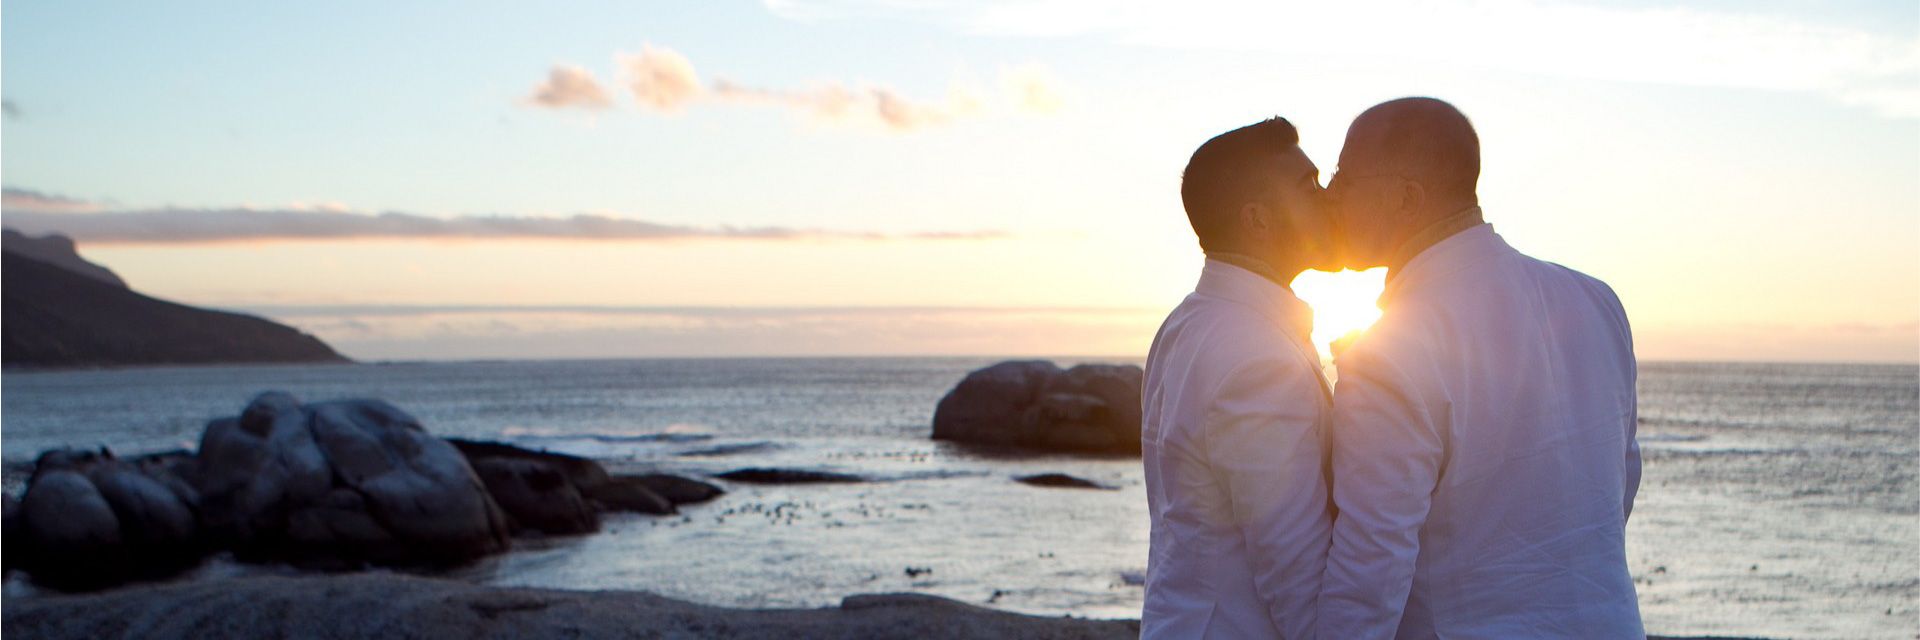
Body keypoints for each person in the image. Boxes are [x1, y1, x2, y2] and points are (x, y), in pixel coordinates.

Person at [1317, 97, 1645, 638]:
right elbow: (1617, 486)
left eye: (1344, 178)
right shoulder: (1595, 301)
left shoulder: (1390, 351)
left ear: (1406, 197)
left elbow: (1370, 570)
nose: (1328, 196)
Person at [1141, 117, 1343, 639]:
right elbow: (1293, 565)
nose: (1329, 199)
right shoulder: (1256, 356)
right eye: (1309, 187)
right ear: (1257, 218)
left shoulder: (1189, 322)